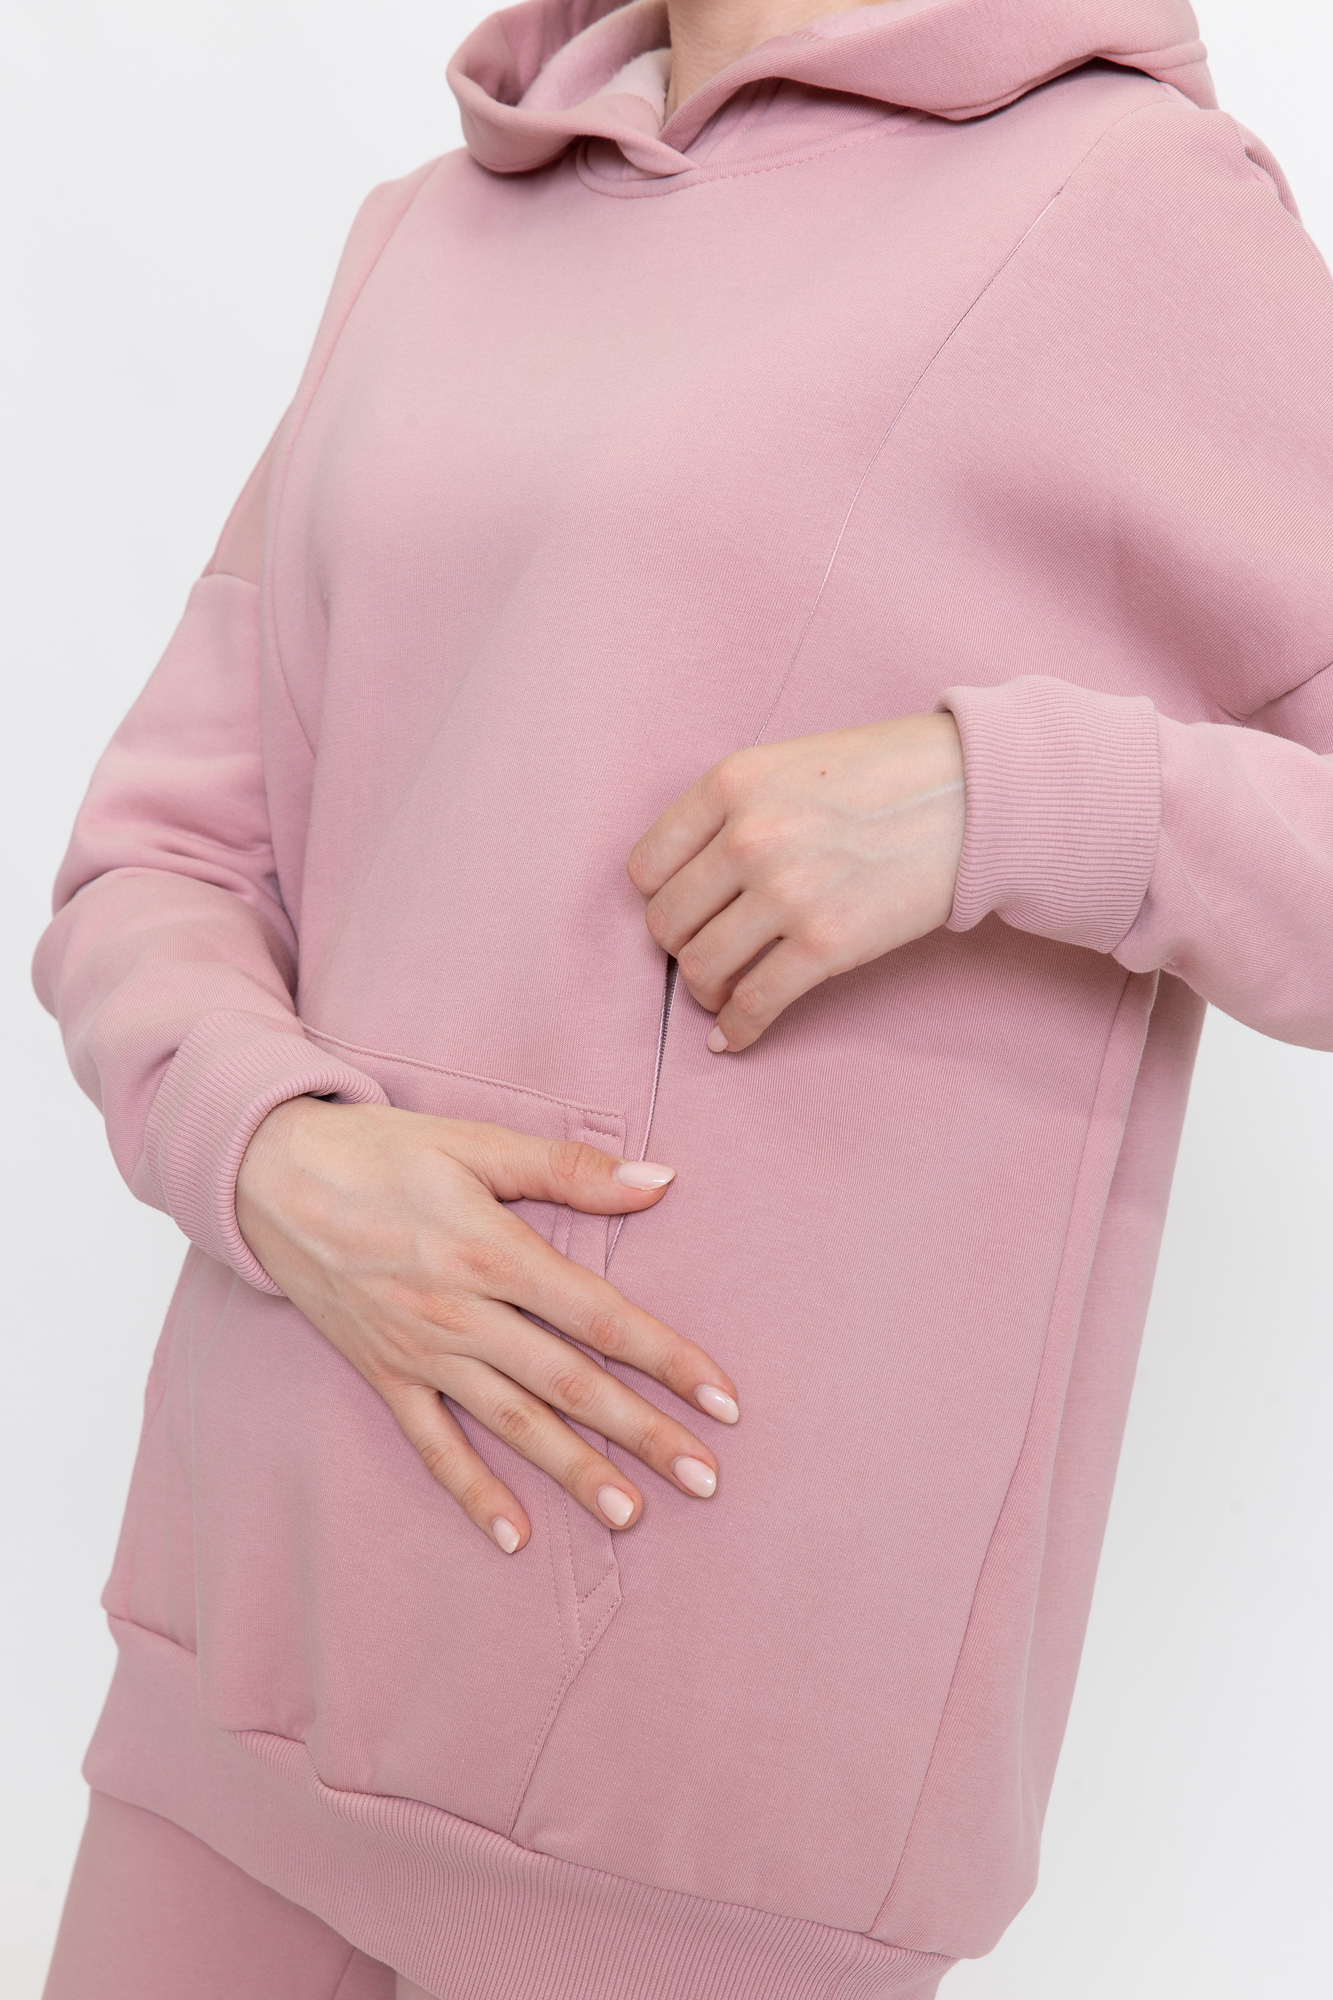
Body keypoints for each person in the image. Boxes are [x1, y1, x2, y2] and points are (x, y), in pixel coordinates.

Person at [33, 0, 1333, 1994]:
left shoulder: (1125, 204)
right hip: (241, 1652)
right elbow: (161, 857)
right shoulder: (423, 233)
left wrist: (1007, 799)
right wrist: (270, 1150)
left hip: (699, 1792)